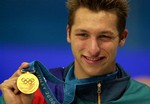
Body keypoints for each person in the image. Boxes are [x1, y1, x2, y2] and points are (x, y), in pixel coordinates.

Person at [0, 0, 150, 104]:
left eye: (104, 36)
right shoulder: (32, 95)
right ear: (68, 33)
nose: (93, 49)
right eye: (83, 35)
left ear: (122, 38)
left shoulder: (145, 98)